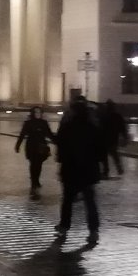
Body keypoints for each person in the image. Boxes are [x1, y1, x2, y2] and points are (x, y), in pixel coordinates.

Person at [53, 98, 103, 248]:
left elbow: (61, 147)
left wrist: (60, 163)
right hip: (88, 170)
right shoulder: (93, 127)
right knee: (90, 202)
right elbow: (100, 149)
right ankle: (93, 230)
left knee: (67, 200)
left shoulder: (67, 126)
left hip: (71, 169)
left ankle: (64, 226)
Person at [13, 105, 54, 196]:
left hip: (41, 146)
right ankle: (33, 181)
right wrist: (18, 145)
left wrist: (57, 141)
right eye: (36, 112)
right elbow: (22, 134)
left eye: (39, 112)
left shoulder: (44, 123)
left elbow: (49, 134)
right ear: (32, 113)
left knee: (39, 164)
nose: (37, 114)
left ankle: (36, 179)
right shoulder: (28, 123)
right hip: (31, 146)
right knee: (33, 164)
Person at [98, 99, 128, 177]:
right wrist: (124, 136)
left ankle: (106, 171)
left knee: (105, 156)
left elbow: (99, 126)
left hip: (104, 138)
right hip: (113, 138)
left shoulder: (103, 115)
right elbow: (122, 127)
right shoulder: (117, 116)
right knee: (114, 153)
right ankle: (119, 168)